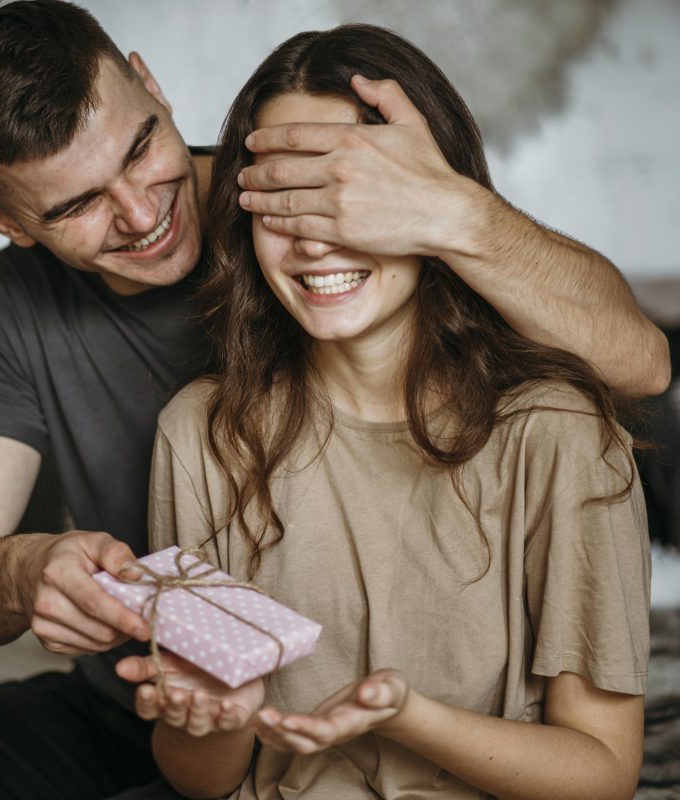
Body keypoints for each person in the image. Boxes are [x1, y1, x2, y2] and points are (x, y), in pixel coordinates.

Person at [0, 2, 664, 799]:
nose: (143, 215)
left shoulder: (308, 195)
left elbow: (640, 365)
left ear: (152, 87)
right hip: (168, 711)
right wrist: (25, 570)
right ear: (7, 221)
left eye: (142, 148)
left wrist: (451, 207)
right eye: (76, 206)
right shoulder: (101, 363)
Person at [115, 24, 651, 800]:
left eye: (347, 197)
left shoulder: (558, 435)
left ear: (430, 202)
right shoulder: (201, 433)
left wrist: (402, 715)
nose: (313, 240)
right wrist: (216, 717)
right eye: (281, 202)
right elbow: (202, 781)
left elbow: (603, 774)